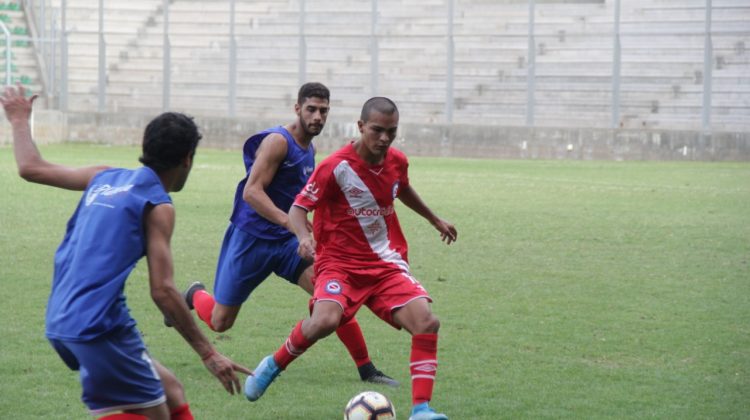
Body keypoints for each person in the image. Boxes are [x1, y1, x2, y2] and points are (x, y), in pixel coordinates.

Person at [1, 85, 250, 420]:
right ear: (187, 159)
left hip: (68, 317)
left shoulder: (103, 177)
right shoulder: (158, 205)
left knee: (172, 391)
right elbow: (162, 290)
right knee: (156, 414)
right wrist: (209, 354)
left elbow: (31, 167)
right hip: (95, 326)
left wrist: (19, 119)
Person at [244, 97, 458, 420]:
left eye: (391, 131)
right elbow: (298, 208)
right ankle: (274, 364)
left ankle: (421, 410)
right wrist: (303, 237)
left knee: (427, 322)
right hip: (339, 265)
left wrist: (435, 219)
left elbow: (402, 188)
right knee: (325, 321)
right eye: (377, 130)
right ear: (360, 127)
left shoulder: (397, 161)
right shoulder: (335, 167)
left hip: (385, 264)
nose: (384, 138)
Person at [171, 82, 397, 386]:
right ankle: (193, 294)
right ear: (297, 109)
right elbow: (252, 192)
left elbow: (303, 199)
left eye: (323, 111)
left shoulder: (310, 149)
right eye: (311, 109)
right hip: (251, 239)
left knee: (330, 295)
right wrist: (293, 225)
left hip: (288, 244)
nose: (318, 116)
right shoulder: (278, 142)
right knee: (220, 321)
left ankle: (366, 369)